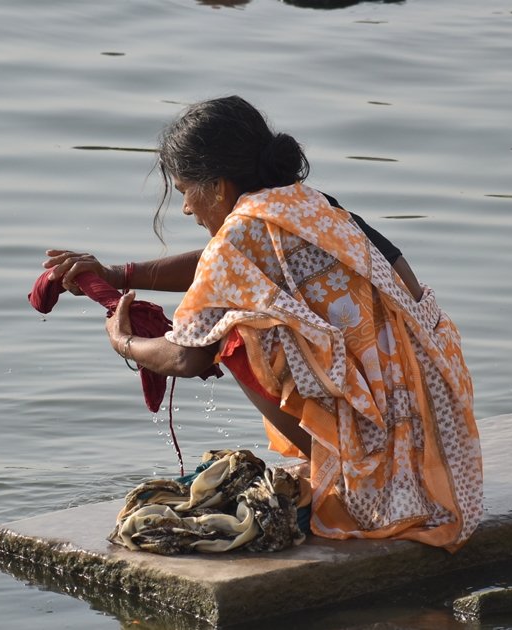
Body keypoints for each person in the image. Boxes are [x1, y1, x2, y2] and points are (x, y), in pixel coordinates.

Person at [42, 96, 482, 550]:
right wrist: (121, 275)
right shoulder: (314, 206)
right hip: (436, 434)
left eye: (185, 192)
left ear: (218, 186)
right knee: (246, 307)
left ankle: (346, 467)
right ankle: (351, 452)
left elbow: (186, 357)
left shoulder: (241, 236)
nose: (187, 210)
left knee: (232, 332)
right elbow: (228, 265)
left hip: (380, 459)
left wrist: (124, 342)